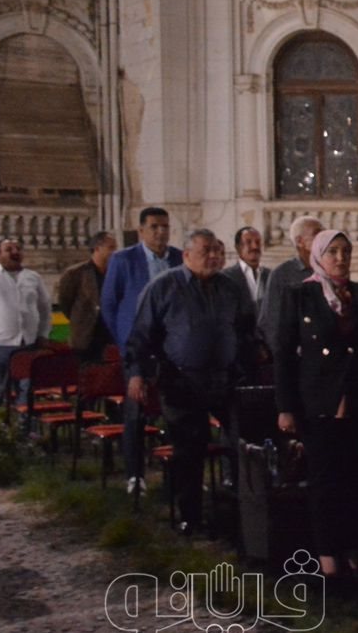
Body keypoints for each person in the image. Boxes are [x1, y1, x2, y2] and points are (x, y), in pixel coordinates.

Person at [274, 229, 358, 579]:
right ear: (318, 256)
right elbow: (284, 355)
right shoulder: (299, 295)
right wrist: (285, 407)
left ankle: (356, 549)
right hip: (319, 405)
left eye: (345, 251)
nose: (340, 258)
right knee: (325, 481)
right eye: (332, 252)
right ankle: (327, 554)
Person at [126, 230, 256, 535]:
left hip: (225, 380)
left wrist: (248, 359)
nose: (214, 257)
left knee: (245, 440)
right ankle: (191, 516)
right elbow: (142, 335)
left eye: (217, 251)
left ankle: (244, 511)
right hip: (182, 381)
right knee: (189, 449)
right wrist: (137, 373)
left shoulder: (229, 288)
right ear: (186, 255)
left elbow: (245, 329)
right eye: (205, 251)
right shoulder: (163, 287)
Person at [101, 206, 182, 498]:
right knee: (135, 413)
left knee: (176, 414)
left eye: (165, 226)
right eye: (155, 227)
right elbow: (109, 305)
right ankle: (135, 475)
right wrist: (126, 340)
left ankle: (177, 475)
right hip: (138, 349)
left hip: (171, 350)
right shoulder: (124, 260)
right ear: (141, 230)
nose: (161, 232)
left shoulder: (177, 258)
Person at [0, 239, 53, 414]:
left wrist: (43, 334)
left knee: (26, 392)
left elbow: (45, 308)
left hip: (27, 346)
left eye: (18, 248)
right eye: (8, 249)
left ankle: (23, 429)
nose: (15, 252)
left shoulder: (33, 277)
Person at [258, 215, 323, 347]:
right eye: (317, 234)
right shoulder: (281, 275)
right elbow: (271, 322)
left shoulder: (329, 269)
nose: (323, 239)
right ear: (299, 241)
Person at [56, 231, 117, 362]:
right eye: (111, 248)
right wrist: (81, 319)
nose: (114, 252)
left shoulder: (116, 273)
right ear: (97, 248)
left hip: (110, 336)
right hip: (85, 338)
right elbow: (65, 303)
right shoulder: (75, 273)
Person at [222, 226, 269, 309]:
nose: (255, 246)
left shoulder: (270, 275)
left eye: (258, 242)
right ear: (237, 247)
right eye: (249, 242)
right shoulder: (226, 277)